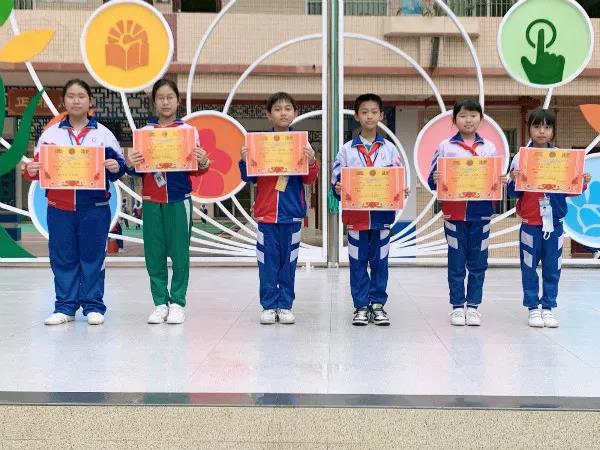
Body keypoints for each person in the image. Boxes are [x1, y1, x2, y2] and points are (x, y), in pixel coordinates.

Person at [23, 79, 126, 325]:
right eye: (71, 96)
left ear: (90, 101)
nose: (76, 100)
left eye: (81, 96)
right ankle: (65, 307)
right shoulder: (51, 135)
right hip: (59, 208)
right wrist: (30, 170)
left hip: (95, 208)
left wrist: (115, 166)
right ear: (64, 102)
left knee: (93, 257)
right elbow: (35, 169)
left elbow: (119, 169)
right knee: (62, 257)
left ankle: (93, 306)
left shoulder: (103, 134)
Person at [127, 79, 210, 324]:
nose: (165, 102)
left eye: (170, 97)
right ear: (154, 102)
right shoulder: (144, 133)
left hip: (178, 199)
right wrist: (130, 163)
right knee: (154, 254)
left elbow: (197, 168)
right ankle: (160, 303)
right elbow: (136, 171)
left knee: (180, 254)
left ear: (178, 101)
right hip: (151, 200)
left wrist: (203, 160)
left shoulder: (189, 132)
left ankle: (177, 303)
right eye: (160, 98)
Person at [239, 92, 319, 325]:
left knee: (288, 263)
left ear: (295, 113)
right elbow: (249, 177)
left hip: (291, 216)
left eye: (287, 108)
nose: (283, 113)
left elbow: (309, 179)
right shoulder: (259, 144)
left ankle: (284, 305)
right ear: (269, 115)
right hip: (266, 216)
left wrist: (312, 161)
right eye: (277, 109)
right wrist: (245, 160)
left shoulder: (302, 144)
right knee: (267, 262)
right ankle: (268, 305)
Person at [507, 107, 591, 328]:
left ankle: (548, 307)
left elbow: (570, 191)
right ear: (529, 129)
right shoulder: (520, 158)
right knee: (529, 267)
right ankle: (533, 308)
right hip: (530, 224)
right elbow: (513, 193)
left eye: (547, 127)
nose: (542, 131)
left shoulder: (563, 158)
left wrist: (582, 182)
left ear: (553, 130)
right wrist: (513, 179)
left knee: (553, 267)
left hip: (554, 225)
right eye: (537, 126)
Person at [331, 93, 409, 326]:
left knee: (380, 262)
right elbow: (336, 180)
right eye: (364, 112)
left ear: (381, 115)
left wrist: (400, 189)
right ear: (356, 116)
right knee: (357, 263)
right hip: (356, 218)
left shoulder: (390, 149)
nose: (369, 116)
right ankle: (361, 306)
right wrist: (338, 187)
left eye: (374, 112)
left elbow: (398, 177)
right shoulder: (346, 150)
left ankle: (378, 305)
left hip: (382, 216)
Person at [428, 99, 502, 327]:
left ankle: (474, 307)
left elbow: (495, 179)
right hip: (454, 213)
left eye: (473, 115)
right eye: (462, 116)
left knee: (479, 261)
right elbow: (432, 180)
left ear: (481, 119)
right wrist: (436, 178)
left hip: (481, 213)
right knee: (456, 261)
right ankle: (458, 306)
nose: (468, 120)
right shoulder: (445, 147)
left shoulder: (489, 148)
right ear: (454, 120)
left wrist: (501, 180)